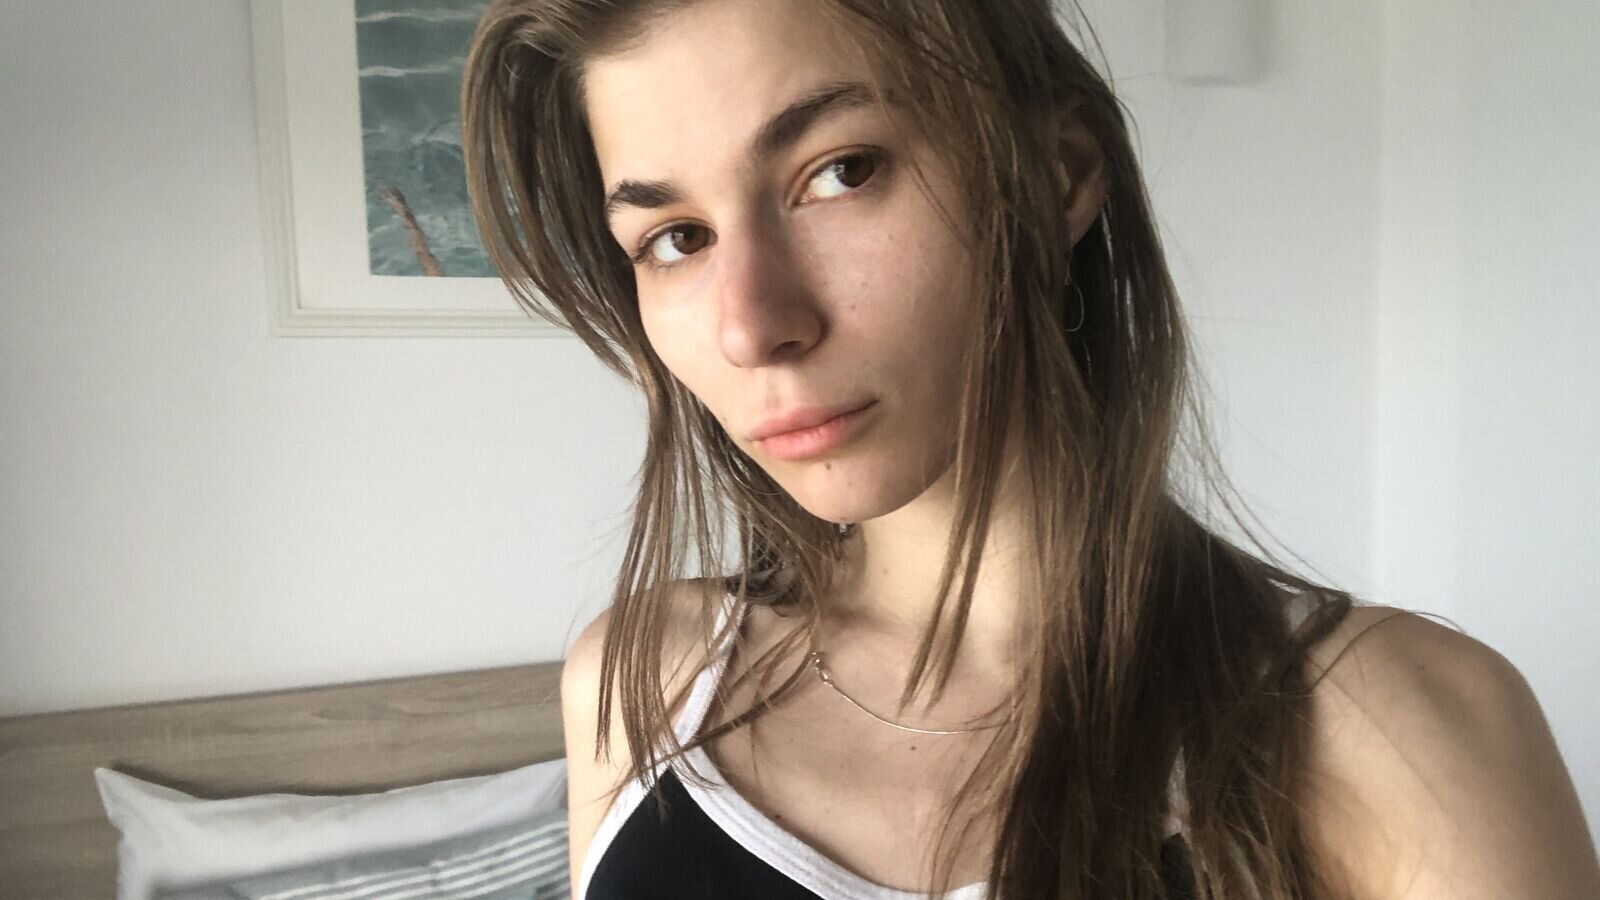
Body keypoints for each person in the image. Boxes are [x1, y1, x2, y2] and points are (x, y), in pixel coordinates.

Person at [458, 1, 1599, 897]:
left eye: (840, 172)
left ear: (1058, 176)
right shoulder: (641, 684)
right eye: (675, 238)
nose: (752, 326)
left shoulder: (1402, 731)